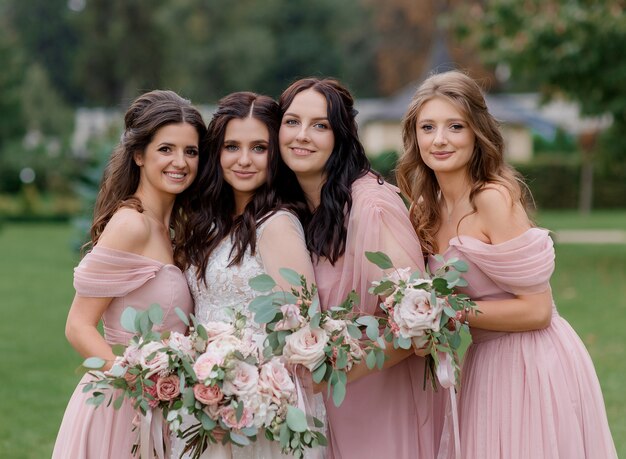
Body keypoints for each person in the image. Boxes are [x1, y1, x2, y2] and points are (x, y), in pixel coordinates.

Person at [396, 70, 617, 459]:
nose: (440, 139)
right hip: (483, 364)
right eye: (427, 127)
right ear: (415, 137)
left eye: (455, 126)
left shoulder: (492, 199)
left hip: (532, 361)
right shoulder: (423, 211)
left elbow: (537, 309)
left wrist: (449, 312)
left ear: (476, 132)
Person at [277, 77, 446, 459]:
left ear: (341, 135)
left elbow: (417, 325)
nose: (302, 135)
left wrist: (333, 377)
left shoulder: (371, 207)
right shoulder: (299, 209)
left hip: (380, 406)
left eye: (320, 125)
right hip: (327, 411)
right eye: (292, 122)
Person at [52, 90, 207, 459]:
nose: (180, 162)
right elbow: (78, 325)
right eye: (166, 149)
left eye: (191, 151)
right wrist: (137, 383)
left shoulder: (175, 231)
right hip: (122, 408)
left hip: (164, 410)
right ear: (139, 155)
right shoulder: (131, 225)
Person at [172, 91, 325, 459]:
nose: (243, 160)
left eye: (259, 148)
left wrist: (249, 385)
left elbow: (307, 324)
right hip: (205, 402)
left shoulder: (278, 225)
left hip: (261, 411)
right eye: (232, 147)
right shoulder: (208, 224)